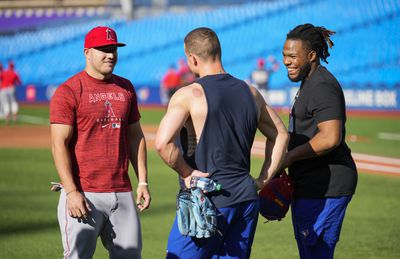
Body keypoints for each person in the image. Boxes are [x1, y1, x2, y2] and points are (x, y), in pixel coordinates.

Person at [155, 27, 288, 258]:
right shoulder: (251, 93)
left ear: (192, 58)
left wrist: (187, 174)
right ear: (218, 52)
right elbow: (281, 135)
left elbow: (163, 143)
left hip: (207, 201)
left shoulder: (190, 94)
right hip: (246, 200)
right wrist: (262, 179)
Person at [50, 26, 151, 259]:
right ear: (87, 53)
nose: (111, 54)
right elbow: (59, 144)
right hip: (84, 192)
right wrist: (73, 192)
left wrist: (143, 182)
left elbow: (135, 136)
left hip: (122, 191)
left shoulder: (126, 87)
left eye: (114, 49)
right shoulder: (69, 91)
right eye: (104, 49)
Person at [281, 23, 358, 259]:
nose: (286, 61)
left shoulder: (322, 85)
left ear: (312, 56)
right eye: (284, 55)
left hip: (326, 187)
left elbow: (330, 137)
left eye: (293, 56)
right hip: (310, 185)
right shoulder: (309, 83)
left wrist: (290, 156)